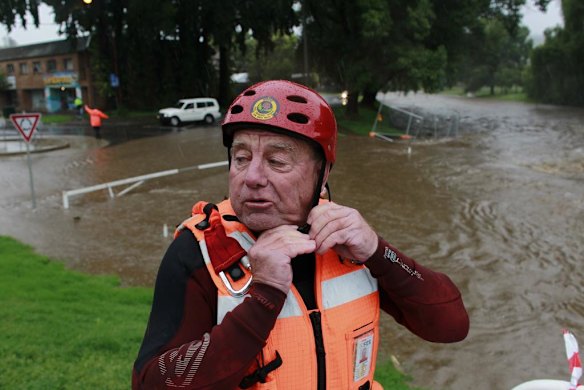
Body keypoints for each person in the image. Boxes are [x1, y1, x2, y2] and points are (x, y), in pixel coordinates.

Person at [132, 80, 469, 390]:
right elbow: (152, 383)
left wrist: (379, 252)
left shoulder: (350, 242)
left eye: (277, 161)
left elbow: (450, 325)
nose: (252, 177)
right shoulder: (199, 251)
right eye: (241, 158)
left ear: (322, 176)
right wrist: (264, 295)